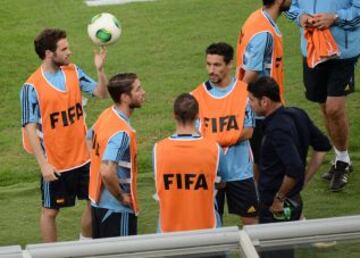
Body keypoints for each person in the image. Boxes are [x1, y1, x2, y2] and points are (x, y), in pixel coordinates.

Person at [20, 28, 108, 242]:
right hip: (56, 162)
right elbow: (30, 128)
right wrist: (43, 165)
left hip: (84, 157)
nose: (69, 52)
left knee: (93, 201)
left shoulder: (73, 72)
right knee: (50, 212)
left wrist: (100, 69)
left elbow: (101, 93)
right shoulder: (31, 87)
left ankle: (84, 246)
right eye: (64, 49)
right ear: (49, 53)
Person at [248, 76, 331, 258]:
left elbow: (294, 168)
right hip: (292, 202)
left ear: (265, 101)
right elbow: (322, 147)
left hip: (275, 208)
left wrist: (279, 197)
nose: (250, 105)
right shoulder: (297, 114)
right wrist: (300, 184)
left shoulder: (276, 129)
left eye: (252, 100)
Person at [286, 0, 360, 191]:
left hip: (343, 53)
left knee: (334, 108)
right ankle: (340, 156)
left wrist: (334, 18)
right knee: (324, 106)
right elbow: (287, 5)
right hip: (313, 50)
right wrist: (301, 17)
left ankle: (343, 160)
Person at [191, 42, 259, 225]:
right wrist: (226, 138)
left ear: (229, 65)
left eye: (217, 65)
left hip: (240, 172)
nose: (211, 70)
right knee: (211, 224)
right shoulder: (196, 96)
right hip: (210, 173)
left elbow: (248, 131)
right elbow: (196, 137)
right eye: (208, 64)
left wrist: (215, 140)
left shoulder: (244, 93)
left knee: (252, 221)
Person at [153, 93, 227, 233]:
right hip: (207, 229)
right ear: (198, 116)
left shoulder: (158, 149)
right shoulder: (214, 149)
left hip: (168, 231)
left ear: (174, 115)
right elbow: (222, 182)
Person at [236, 0, 292, 181]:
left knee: (260, 159)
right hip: (264, 109)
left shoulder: (256, 17)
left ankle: (262, 198)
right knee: (271, 161)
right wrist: (238, 97)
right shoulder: (265, 33)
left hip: (258, 104)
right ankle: (270, 200)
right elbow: (252, 72)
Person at [88, 73, 145, 239]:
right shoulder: (122, 132)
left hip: (98, 205)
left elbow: (89, 138)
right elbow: (106, 171)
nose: (143, 92)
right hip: (116, 210)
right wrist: (121, 196)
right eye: (138, 89)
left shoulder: (107, 114)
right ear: (125, 98)